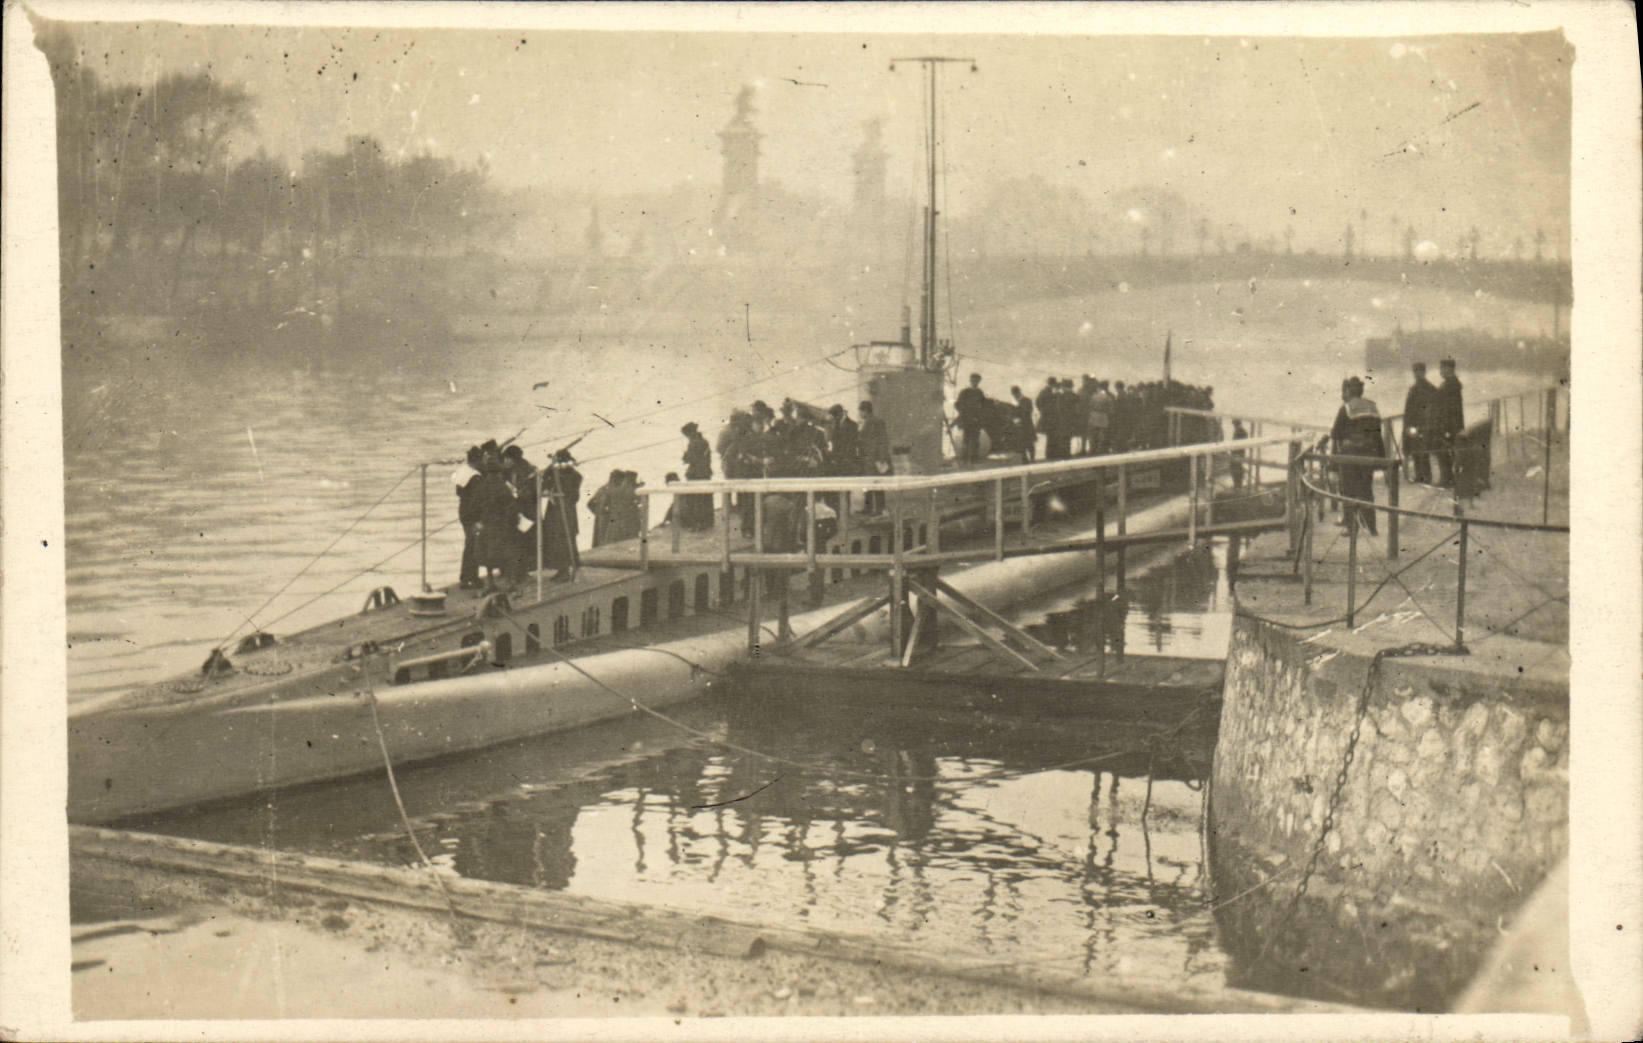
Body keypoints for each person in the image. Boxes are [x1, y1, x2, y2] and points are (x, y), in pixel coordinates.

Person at [1330, 376, 1385, 536]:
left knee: (1349, 490)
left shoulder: (1346, 408)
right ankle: (1371, 527)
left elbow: (1336, 435)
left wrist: (1333, 465)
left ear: (1349, 391)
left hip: (1350, 455)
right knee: (1366, 489)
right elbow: (1378, 434)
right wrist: (1381, 459)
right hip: (1368, 454)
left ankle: (1351, 526)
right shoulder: (1372, 407)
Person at [468, 448, 519, 594]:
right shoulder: (503, 487)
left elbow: (473, 508)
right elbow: (512, 506)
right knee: (507, 555)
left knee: (487, 557)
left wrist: (477, 522)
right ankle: (510, 583)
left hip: (487, 526)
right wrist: (514, 521)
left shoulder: (481, 487)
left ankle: (490, 583)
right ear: (498, 472)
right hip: (502, 526)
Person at [540, 448, 582, 582]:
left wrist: (555, 475)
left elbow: (573, 495)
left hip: (565, 511)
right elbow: (543, 486)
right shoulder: (554, 474)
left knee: (565, 540)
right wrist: (549, 472)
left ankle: (568, 570)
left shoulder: (574, 476)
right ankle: (561, 570)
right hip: (555, 512)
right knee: (556, 541)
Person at [502, 443, 539, 580]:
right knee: (522, 542)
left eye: (507, 459)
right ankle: (520, 570)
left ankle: (519, 571)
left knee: (520, 541)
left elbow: (527, 492)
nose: (505, 462)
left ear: (512, 459)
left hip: (523, 511)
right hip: (525, 510)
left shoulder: (521, 471)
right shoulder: (524, 468)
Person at [1401, 362, 1439, 484]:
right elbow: (1408, 409)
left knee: (1423, 450)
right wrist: (1407, 425)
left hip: (1424, 424)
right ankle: (1419, 475)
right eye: (1415, 371)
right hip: (1414, 423)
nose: (1417, 374)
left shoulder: (1430, 388)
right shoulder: (1414, 388)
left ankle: (1426, 476)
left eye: (1419, 371)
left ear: (1424, 372)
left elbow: (1433, 408)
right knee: (1415, 450)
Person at [452, 445, 483, 589]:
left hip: (463, 509)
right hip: (472, 513)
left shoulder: (462, 471)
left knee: (469, 543)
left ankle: (466, 576)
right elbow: (477, 499)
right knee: (473, 544)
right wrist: (478, 519)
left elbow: (459, 492)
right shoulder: (475, 477)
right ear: (477, 460)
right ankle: (470, 577)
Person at [1433, 358, 1465, 488]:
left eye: (1442, 368)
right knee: (1444, 450)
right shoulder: (1452, 384)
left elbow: (1448, 409)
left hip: (1448, 426)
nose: (1440, 371)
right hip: (1452, 424)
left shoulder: (1450, 385)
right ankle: (1447, 478)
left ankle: (1446, 479)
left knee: (1442, 450)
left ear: (1449, 369)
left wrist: (1443, 426)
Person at [824, 403, 860, 514]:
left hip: (847, 461)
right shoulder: (835, 425)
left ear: (839, 414)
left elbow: (851, 444)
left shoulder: (852, 425)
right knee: (838, 488)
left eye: (835, 417)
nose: (834, 419)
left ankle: (845, 512)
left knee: (846, 488)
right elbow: (830, 440)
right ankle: (840, 512)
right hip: (838, 461)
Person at [678, 421, 714, 531]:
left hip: (696, 474)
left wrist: (685, 457)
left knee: (695, 500)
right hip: (705, 473)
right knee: (705, 498)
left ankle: (698, 523)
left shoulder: (694, 443)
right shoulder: (703, 441)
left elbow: (691, 459)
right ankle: (707, 521)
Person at [858, 400, 891, 515]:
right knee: (868, 484)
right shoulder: (866, 422)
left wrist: (881, 458)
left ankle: (879, 508)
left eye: (861, 411)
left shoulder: (876, 422)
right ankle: (869, 508)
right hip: (868, 458)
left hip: (874, 459)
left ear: (865, 411)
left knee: (877, 484)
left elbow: (883, 441)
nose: (860, 413)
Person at [955, 372, 988, 464]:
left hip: (976, 420)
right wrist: (964, 414)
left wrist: (980, 416)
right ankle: (965, 459)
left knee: (975, 440)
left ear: (979, 381)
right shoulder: (965, 392)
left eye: (977, 381)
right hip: (967, 420)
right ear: (970, 381)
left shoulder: (979, 392)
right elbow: (957, 404)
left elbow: (984, 405)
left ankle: (974, 459)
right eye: (973, 380)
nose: (975, 382)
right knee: (966, 439)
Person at [1088, 379, 1114, 456]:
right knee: (1102, 436)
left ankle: (1092, 451)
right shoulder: (1108, 397)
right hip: (1103, 417)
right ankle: (1101, 451)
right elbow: (1111, 409)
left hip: (1094, 416)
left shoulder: (1094, 396)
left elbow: (1090, 406)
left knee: (1093, 435)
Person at [1010, 385, 1036, 462]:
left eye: (1015, 394)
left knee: (1030, 442)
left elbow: (1028, 411)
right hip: (1019, 425)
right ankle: (1025, 459)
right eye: (1013, 394)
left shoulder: (1026, 400)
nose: (1015, 396)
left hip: (1027, 424)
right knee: (1021, 443)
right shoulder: (1014, 402)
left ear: (1019, 392)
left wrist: (1018, 414)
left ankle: (1032, 458)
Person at [1229, 419, 1248, 489]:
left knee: (1235, 468)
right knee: (1237, 467)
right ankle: (1238, 484)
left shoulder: (1239, 431)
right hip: (1239, 453)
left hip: (1237, 453)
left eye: (1234, 424)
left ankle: (1237, 485)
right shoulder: (1242, 431)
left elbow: (1237, 443)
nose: (1234, 426)